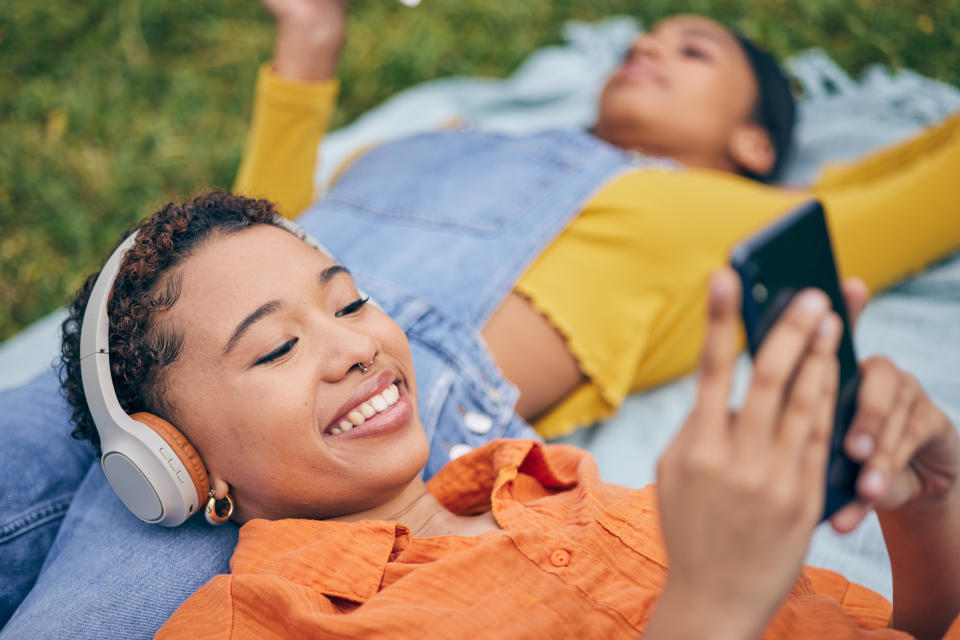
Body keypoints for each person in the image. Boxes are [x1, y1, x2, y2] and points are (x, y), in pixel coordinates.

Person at [2, 3, 959, 636]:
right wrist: (306, 58)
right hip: (181, 351)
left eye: (695, 49)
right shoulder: (433, 141)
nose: (648, 47)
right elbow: (243, 254)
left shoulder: (708, 219)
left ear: (753, 140)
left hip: (419, 386)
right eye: (642, 40)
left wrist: (928, 507)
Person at [54, 193, 959, 639]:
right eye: (276, 349)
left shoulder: (569, 489)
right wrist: (711, 606)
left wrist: (927, 505)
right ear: (175, 462)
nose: (355, 348)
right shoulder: (253, 623)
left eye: (350, 302)